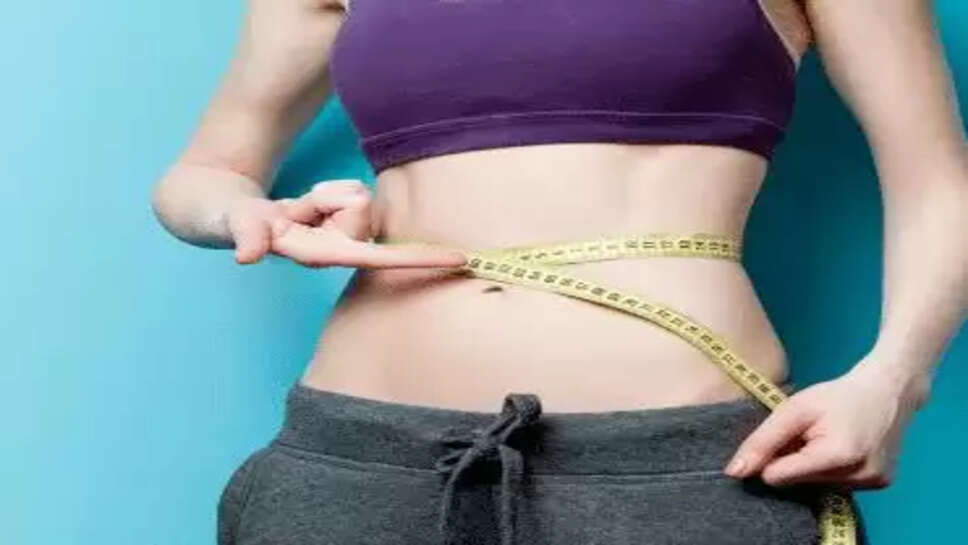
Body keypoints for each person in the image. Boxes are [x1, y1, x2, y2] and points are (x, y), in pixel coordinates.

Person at [151, 1, 967, 544]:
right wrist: (246, 216)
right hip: (354, 460)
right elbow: (207, 171)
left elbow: (937, 179)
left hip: (673, 469)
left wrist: (895, 379)